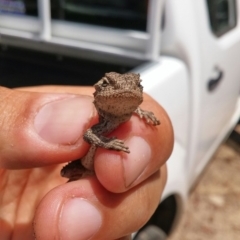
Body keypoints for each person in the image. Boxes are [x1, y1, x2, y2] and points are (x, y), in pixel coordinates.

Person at [0, 85, 173, 240]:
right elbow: (89, 135)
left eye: (135, 85)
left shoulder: (129, 110)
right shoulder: (102, 120)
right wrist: (107, 143)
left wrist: (143, 113)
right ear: (99, 93)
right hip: (82, 168)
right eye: (109, 84)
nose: (124, 90)